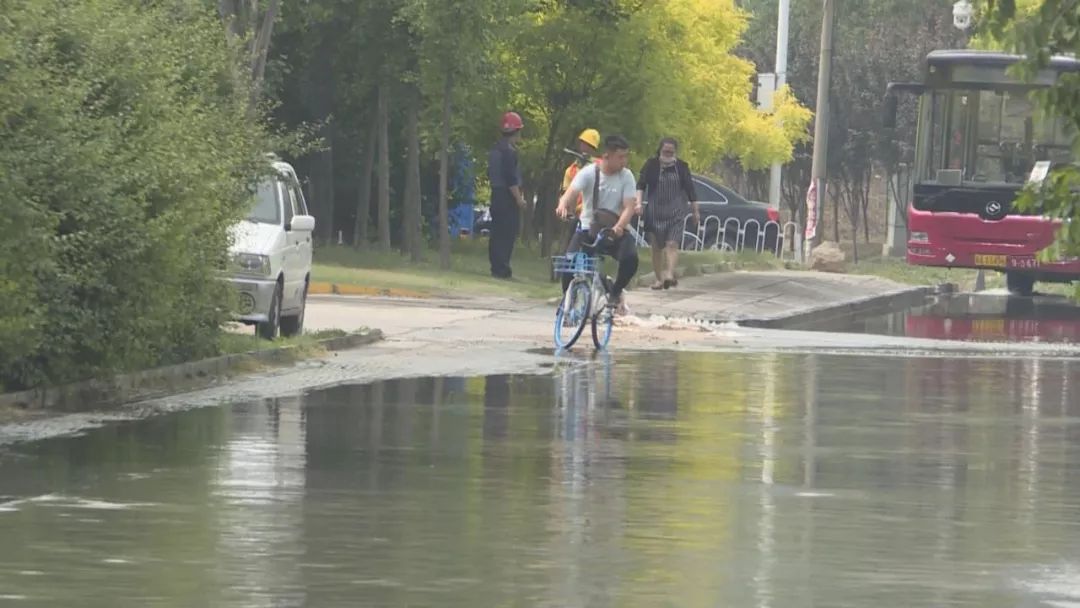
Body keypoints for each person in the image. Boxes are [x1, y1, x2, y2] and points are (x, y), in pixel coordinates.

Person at [556, 135, 639, 312]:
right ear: (607, 156)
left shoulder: (627, 177)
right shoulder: (589, 172)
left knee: (631, 258)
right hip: (588, 228)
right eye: (620, 157)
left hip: (614, 230)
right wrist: (563, 205)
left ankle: (615, 292)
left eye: (626, 156)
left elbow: (629, 207)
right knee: (568, 263)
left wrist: (619, 227)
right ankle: (568, 303)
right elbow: (570, 193)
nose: (624, 161)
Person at [635, 137, 699, 290]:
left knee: (672, 243)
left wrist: (695, 211)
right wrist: (638, 203)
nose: (668, 154)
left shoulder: (682, 167)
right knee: (656, 247)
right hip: (655, 211)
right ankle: (658, 279)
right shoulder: (651, 165)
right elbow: (641, 185)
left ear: (675, 152)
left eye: (671, 152)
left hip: (676, 211)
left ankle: (669, 274)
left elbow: (691, 190)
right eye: (666, 151)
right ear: (660, 150)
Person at [487, 111, 527, 279]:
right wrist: (519, 199)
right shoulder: (509, 152)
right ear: (516, 131)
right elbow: (511, 178)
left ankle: (496, 267)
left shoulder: (495, 149)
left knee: (496, 233)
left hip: (495, 194)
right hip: (507, 196)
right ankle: (503, 269)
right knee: (507, 233)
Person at [562, 128, 602, 219]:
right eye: (584, 144)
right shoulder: (571, 170)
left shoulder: (601, 167)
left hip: (596, 214)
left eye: (590, 146)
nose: (585, 147)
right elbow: (566, 194)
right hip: (577, 215)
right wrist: (565, 209)